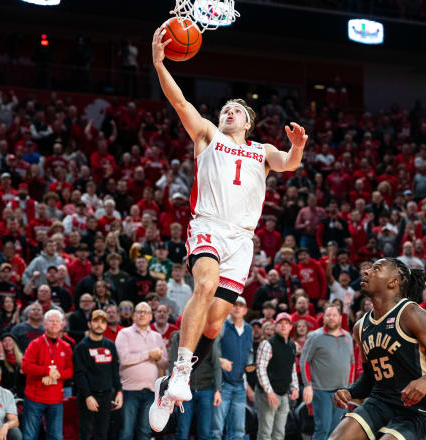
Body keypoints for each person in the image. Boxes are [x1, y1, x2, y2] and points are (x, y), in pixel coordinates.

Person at [149, 25, 308, 427]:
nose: (228, 111)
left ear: (248, 122)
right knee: (202, 286)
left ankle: (168, 382)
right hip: (208, 226)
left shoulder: (261, 150)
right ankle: (181, 371)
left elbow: (289, 164)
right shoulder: (208, 135)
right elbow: (180, 101)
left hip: (242, 241)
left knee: (216, 322)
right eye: (226, 108)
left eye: (237, 109)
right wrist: (159, 63)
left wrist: (299, 146)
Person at [330, 259, 426, 440]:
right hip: (379, 402)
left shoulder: (411, 313)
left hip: (415, 409)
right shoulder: (360, 327)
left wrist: (425, 381)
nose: (366, 271)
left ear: (393, 282)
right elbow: (369, 377)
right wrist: (350, 392)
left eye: (376, 269)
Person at [300, 304, 354, 440]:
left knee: (337, 429)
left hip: (342, 392)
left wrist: (350, 387)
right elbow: (304, 361)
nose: (331, 318)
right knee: (323, 428)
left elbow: (352, 363)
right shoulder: (315, 336)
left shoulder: (347, 336)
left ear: (340, 318)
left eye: (334, 315)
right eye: (328, 315)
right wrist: (307, 385)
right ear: (323, 318)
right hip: (321, 390)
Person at [116, 302, 167, 440]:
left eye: (146, 312)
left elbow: (165, 363)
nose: (142, 314)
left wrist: (157, 358)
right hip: (129, 390)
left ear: (151, 316)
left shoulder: (157, 336)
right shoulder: (124, 333)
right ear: (134, 316)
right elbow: (124, 359)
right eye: (139, 311)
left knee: (145, 432)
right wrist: (149, 354)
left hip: (151, 390)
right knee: (127, 431)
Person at [21, 310, 73, 440]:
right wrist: (47, 371)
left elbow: (70, 371)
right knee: (29, 436)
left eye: (57, 321)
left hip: (55, 399)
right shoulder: (35, 344)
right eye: (51, 321)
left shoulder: (66, 346)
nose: (54, 324)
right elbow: (25, 366)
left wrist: (58, 374)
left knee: (56, 436)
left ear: (62, 325)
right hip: (34, 397)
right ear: (44, 324)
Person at [73, 310, 123, 440]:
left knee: (102, 434)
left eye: (103, 321)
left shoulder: (110, 345)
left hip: (107, 395)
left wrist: (119, 391)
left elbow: (115, 370)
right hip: (88, 396)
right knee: (86, 434)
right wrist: (88, 396)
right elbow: (79, 374)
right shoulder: (82, 347)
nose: (99, 324)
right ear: (89, 324)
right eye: (96, 321)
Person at [210, 296, 252, 440]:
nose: (237, 307)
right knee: (216, 429)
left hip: (240, 384)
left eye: (241, 305)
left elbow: (250, 351)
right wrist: (220, 360)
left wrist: (250, 364)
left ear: (245, 310)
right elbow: (210, 348)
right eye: (234, 304)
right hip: (222, 384)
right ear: (229, 308)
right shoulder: (221, 325)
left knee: (239, 431)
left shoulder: (249, 329)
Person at [255, 312, 299, 440]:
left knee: (280, 433)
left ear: (291, 326)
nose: (284, 326)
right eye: (280, 323)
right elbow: (260, 369)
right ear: (275, 325)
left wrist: (295, 387)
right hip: (266, 394)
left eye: (286, 323)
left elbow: (292, 369)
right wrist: (269, 392)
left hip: (283, 393)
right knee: (265, 433)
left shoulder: (292, 345)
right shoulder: (267, 344)